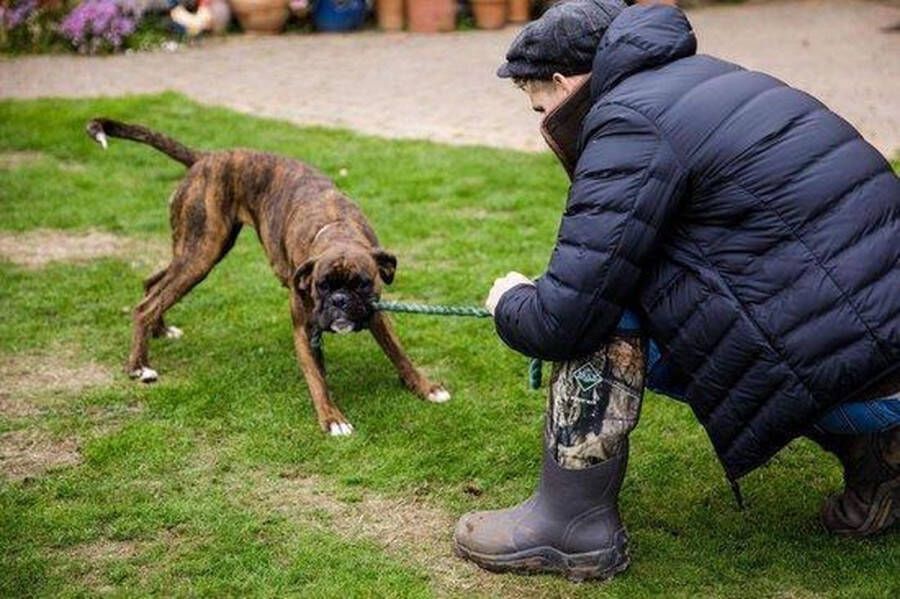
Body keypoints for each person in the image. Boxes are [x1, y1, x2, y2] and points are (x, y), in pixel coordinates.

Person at [452, 0, 900, 582]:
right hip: (884, 344)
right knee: (791, 302)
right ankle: (882, 467)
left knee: (605, 310)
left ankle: (570, 526)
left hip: (861, 372)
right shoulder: (713, 77)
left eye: (539, 108)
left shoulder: (626, 119)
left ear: (562, 84)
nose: (542, 123)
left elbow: (564, 319)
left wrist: (511, 300)